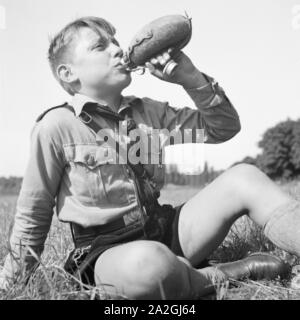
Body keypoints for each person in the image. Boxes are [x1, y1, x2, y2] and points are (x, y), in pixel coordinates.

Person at [0, 16, 298, 300]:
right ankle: (219, 275)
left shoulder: (149, 112)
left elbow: (223, 128)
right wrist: (10, 285)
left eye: (115, 42)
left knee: (244, 177)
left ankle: (180, 269)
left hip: (163, 228)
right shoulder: (55, 126)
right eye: (100, 46)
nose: (118, 49)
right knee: (147, 265)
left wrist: (190, 78)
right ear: (68, 73)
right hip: (107, 252)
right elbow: (33, 214)